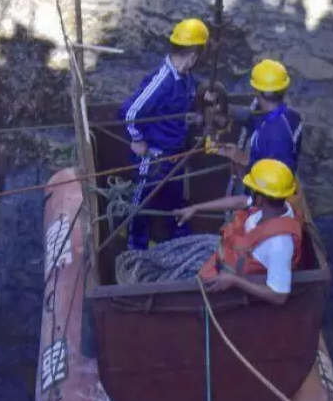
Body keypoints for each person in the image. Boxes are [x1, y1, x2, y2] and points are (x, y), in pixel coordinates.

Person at [118, 18, 211, 251]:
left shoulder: (185, 77)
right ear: (193, 56)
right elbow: (130, 112)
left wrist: (201, 100)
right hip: (154, 157)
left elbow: (185, 100)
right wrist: (137, 140)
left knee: (175, 197)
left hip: (174, 154)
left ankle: (179, 240)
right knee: (142, 202)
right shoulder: (162, 81)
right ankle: (136, 247)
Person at [174, 159, 304, 305]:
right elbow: (239, 201)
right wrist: (195, 208)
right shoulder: (275, 207)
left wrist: (235, 281)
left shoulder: (279, 244)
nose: (250, 193)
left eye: (252, 190)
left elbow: (279, 296)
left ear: (260, 199)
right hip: (225, 258)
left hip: (230, 283)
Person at [217, 59, 303, 176]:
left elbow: (275, 177)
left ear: (257, 91)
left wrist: (243, 159)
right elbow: (255, 117)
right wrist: (227, 110)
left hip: (266, 182)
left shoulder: (274, 136)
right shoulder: (292, 117)